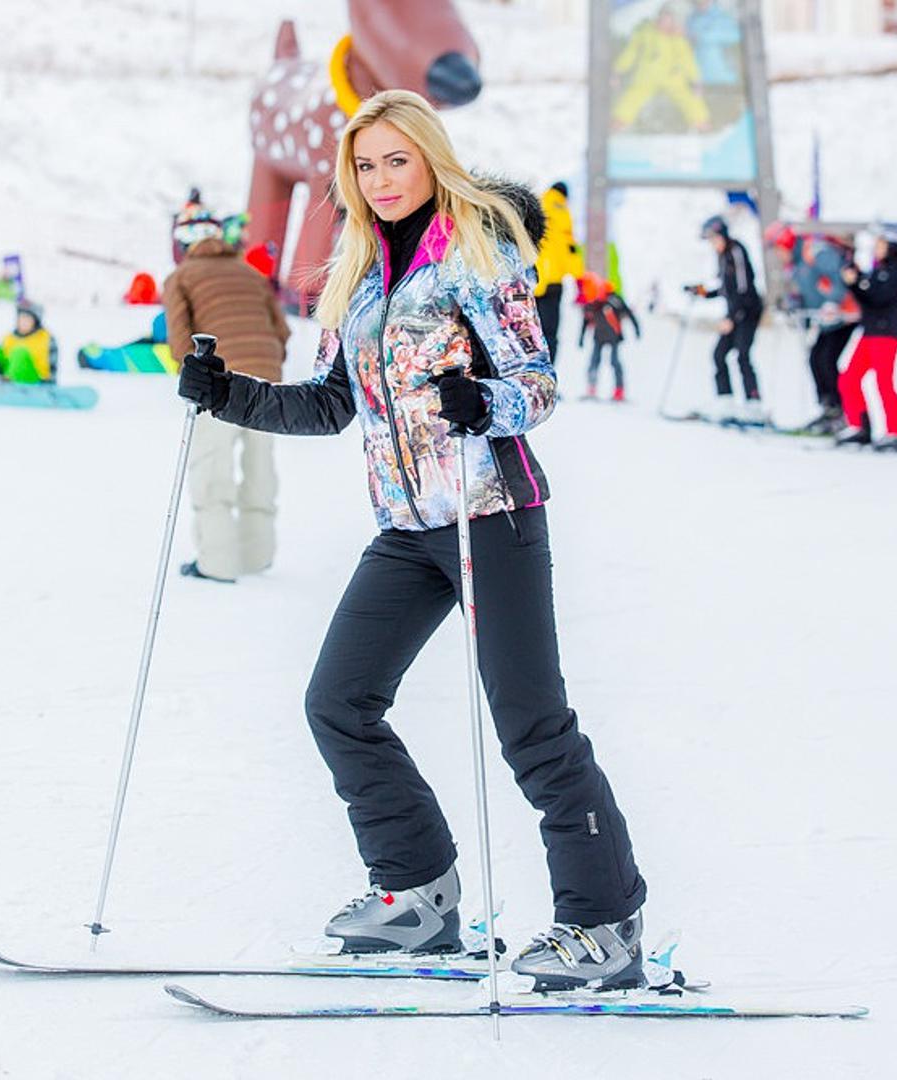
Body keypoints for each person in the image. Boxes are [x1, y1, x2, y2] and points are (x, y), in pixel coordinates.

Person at [176, 90, 648, 991]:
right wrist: (228, 393)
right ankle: (417, 893)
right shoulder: (359, 277)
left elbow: (538, 384)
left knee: (532, 726)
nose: (382, 179)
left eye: (397, 160)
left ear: (431, 159)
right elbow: (330, 405)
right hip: (406, 527)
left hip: (490, 514)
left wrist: (486, 401)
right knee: (339, 701)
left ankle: (604, 922)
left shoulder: (478, 256)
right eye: (365, 165)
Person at [163, 200, 290, 583]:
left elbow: (180, 339)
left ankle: (217, 563)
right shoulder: (251, 273)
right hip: (268, 380)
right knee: (259, 466)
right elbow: (282, 330)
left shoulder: (181, 277)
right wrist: (268, 365)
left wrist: (192, 377)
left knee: (212, 468)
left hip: (219, 382)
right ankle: (256, 554)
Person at [765, 223, 857, 434]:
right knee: (816, 358)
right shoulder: (795, 266)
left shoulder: (814, 251)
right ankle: (828, 408)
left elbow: (840, 277)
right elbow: (807, 294)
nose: (778, 255)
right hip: (826, 320)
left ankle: (840, 411)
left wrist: (833, 302)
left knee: (826, 359)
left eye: (778, 248)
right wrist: (794, 305)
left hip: (844, 315)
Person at [836, 226, 897, 453]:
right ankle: (860, 426)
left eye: (880, 245)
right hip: (869, 332)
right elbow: (867, 299)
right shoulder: (879, 270)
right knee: (849, 378)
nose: (876, 249)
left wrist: (858, 281)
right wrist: (855, 281)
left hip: (886, 335)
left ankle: (896, 430)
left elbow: (880, 298)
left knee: (884, 383)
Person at [691, 215, 764, 419]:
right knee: (719, 354)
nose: (712, 244)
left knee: (742, 355)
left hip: (748, 311)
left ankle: (754, 403)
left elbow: (743, 287)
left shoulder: (736, 250)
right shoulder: (722, 256)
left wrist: (732, 317)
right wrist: (702, 292)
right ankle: (726, 401)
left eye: (713, 239)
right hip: (734, 312)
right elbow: (725, 288)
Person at [533, 180, 582, 366]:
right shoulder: (562, 210)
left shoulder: (536, 204)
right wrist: (578, 276)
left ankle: (528, 373)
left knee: (529, 331)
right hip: (553, 283)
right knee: (550, 333)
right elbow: (569, 248)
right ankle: (548, 373)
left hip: (533, 280)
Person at [576, 272, 640, 401]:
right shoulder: (592, 302)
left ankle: (619, 391)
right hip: (598, 337)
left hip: (614, 336)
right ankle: (591, 388)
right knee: (594, 362)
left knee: (614, 362)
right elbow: (586, 320)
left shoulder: (614, 300)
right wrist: (581, 337)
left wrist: (637, 329)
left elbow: (628, 313)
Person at [0, 301, 57, 383]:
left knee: (19, 353)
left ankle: (7, 382)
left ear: (35, 321)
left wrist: (49, 382)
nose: (23, 322)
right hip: (6, 377)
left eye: (27, 319)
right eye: (21, 318)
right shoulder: (9, 338)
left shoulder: (46, 338)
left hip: (37, 381)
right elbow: (1, 358)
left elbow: (52, 368)